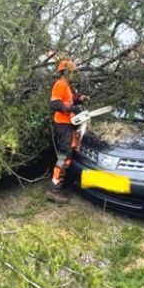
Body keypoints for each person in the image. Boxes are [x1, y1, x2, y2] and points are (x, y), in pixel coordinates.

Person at [46, 59, 87, 204]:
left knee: (69, 154)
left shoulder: (66, 86)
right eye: (73, 72)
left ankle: (61, 183)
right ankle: (54, 190)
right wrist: (72, 108)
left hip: (68, 124)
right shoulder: (59, 84)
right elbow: (55, 104)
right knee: (65, 156)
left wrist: (78, 99)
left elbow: (68, 100)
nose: (75, 75)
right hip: (62, 125)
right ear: (65, 72)